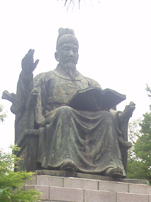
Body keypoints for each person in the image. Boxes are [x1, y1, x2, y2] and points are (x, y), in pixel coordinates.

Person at [15, 28, 132, 177]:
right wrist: (26, 74)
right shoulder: (45, 78)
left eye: (74, 50)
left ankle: (110, 165)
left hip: (89, 119)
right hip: (56, 120)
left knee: (107, 117)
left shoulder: (90, 82)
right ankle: (64, 159)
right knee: (66, 111)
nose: (71, 54)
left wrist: (121, 116)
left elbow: (108, 109)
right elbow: (25, 102)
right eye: (66, 49)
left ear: (78, 56)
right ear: (57, 55)